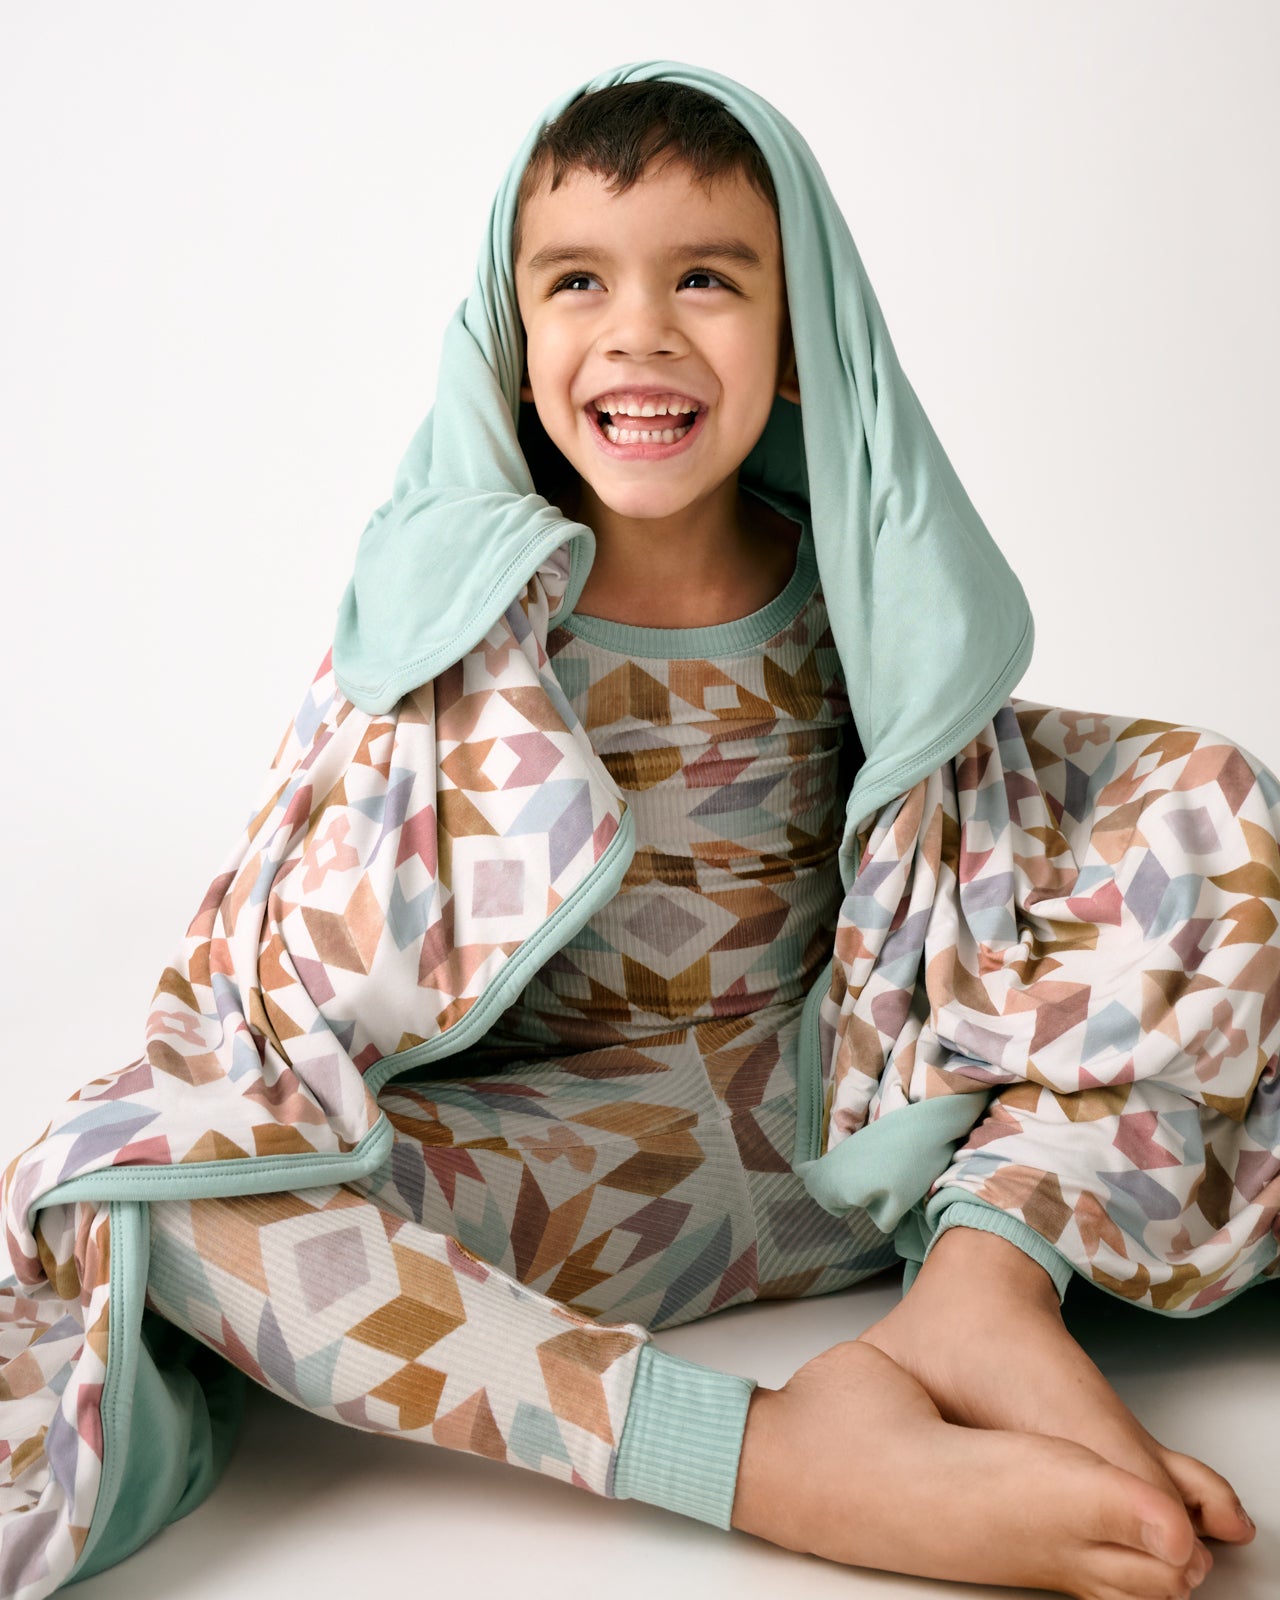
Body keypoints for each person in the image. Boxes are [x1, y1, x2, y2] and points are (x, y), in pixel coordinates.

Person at [1, 60, 1273, 1600]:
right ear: (512, 337)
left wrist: (1082, 951)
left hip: (865, 1136)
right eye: (580, 281)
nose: (642, 330)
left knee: (1209, 808)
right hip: (582, 1161)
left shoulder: (867, 605)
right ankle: (766, 1459)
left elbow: (993, 860)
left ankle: (984, 1291)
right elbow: (295, 965)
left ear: (800, 338)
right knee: (143, 1184)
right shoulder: (461, 631)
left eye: (707, 279)